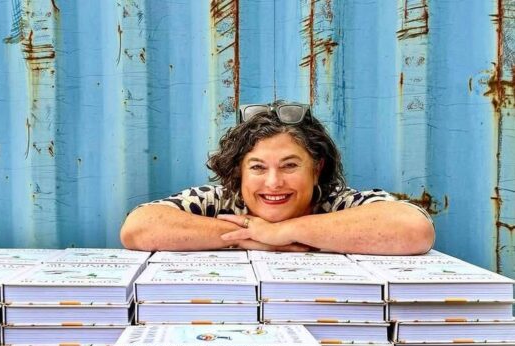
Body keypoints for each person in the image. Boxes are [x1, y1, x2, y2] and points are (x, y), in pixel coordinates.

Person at [120, 101, 435, 254]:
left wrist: (283, 232)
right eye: (257, 167)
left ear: (317, 168)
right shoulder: (218, 201)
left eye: (290, 166)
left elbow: (414, 229)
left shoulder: (340, 202)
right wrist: (253, 238)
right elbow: (138, 228)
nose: (273, 183)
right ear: (238, 171)